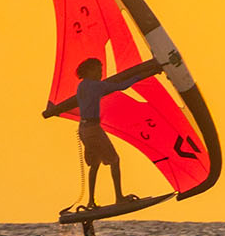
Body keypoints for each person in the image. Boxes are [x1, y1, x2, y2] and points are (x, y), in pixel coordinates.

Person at [43, 56, 162, 208]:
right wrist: (146, 73)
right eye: (98, 70)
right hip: (93, 129)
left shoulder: (82, 86)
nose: (101, 73)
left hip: (83, 129)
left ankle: (91, 201)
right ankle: (119, 197)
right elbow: (122, 85)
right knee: (115, 160)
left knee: (95, 164)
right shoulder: (95, 86)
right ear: (89, 71)